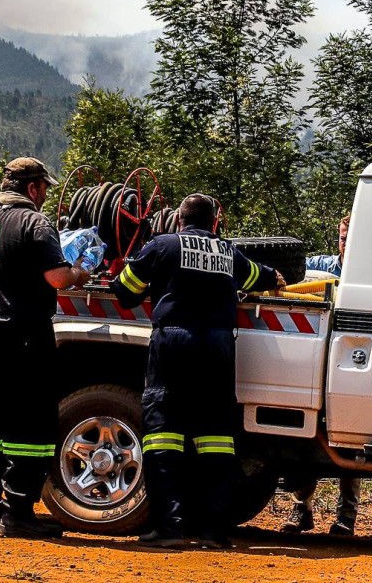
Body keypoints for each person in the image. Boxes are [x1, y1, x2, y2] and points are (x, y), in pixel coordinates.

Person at [109, 194, 283, 549]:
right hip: (218, 348)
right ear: (214, 223)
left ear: (178, 220)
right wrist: (275, 276)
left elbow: (124, 291)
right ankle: (214, 532)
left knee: (163, 436)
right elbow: (258, 275)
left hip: (174, 343)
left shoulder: (163, 245)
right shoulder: (227, 252)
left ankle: (168, 529)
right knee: (217, 439)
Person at [0, 157, 90, 539]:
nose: (45, 194)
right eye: (44, 188)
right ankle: (17, 513)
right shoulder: (36, 222)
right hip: (23, 332)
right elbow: (57, 277)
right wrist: (81, 272)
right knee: (32, 423)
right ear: (32, 188)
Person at [282, 215, 360, 536]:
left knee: (352, 444)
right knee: (303, 439)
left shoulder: (366, 276)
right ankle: (302, 509)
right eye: (342, 236)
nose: (344, 243)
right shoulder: (319, 267)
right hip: (313, 365)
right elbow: (289, 278)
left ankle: (347, 517)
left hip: (350, 369)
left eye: (350, 237)